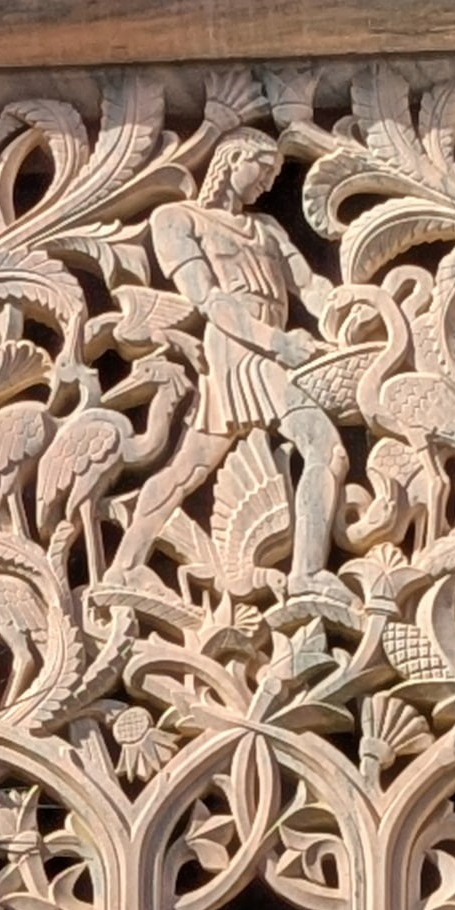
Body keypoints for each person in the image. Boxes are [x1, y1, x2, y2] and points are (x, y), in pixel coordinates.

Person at [108, 127, 346, 617]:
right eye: (262, 169)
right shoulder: (177, 219)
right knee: (325, 446)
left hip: (270, 347)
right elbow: (209, 300)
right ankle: (306, 574)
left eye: (274, 175)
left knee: (189, 466)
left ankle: (124, 566)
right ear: (232, 160)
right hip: (240, 349)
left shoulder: (267, 229)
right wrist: (278, 343)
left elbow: (307, 285)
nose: (267, 183)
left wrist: (346, 312)